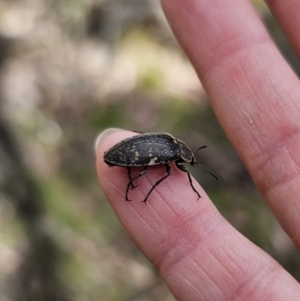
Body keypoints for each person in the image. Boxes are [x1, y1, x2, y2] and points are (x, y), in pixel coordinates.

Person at [95, 0, 300, 299]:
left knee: (144, 165)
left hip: (131, 149)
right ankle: (136, 181)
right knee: (149, 170)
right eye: (188, 163)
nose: (187, 166)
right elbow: (160, 161)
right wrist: (148, 189)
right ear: (181, 156)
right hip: (126, 154)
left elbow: (146, 141)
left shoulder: (169, 144)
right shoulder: (170, 156)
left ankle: (134, 179)